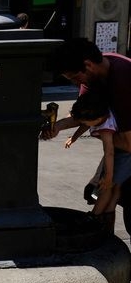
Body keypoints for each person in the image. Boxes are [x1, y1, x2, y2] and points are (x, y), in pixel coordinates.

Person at [40, 38, 131, 228]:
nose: (75, 83)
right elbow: (85, 114)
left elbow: (125, 144)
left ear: (87, 66)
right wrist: (58, 127)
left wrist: (103, 174)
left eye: (74, 78)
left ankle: (97, 224)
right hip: (122, 150)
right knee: (108, 193)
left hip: (126, 151)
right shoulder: (94, 78)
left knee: (112, 191)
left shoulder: (124, 79)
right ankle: (104, 234)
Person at [64, 91, 131, 223]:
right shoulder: (98, 114)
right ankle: (108, 211)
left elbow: (109, 152)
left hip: (123, 156)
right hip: (122, 154)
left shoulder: (106, 129)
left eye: (86, 122)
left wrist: (108, 176)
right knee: (116, 187)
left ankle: (95, 215)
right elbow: (85, 125)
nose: (85, 124)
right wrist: (74, 137)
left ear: (98, 119)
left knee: (106, 187)